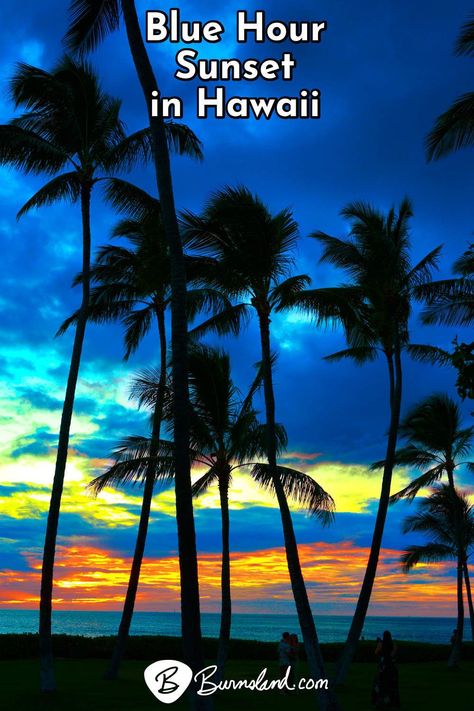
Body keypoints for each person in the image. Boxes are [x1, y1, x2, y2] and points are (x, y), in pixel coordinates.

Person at [371, 630, 400, 708]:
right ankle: (391, 701)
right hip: (391, 665)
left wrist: (379, 646)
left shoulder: (381, 644)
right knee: (391, 684)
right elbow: (392, 654)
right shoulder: (394, 644)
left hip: (383, 666)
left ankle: (379, 701)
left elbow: (376, 653)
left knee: (380, 683)